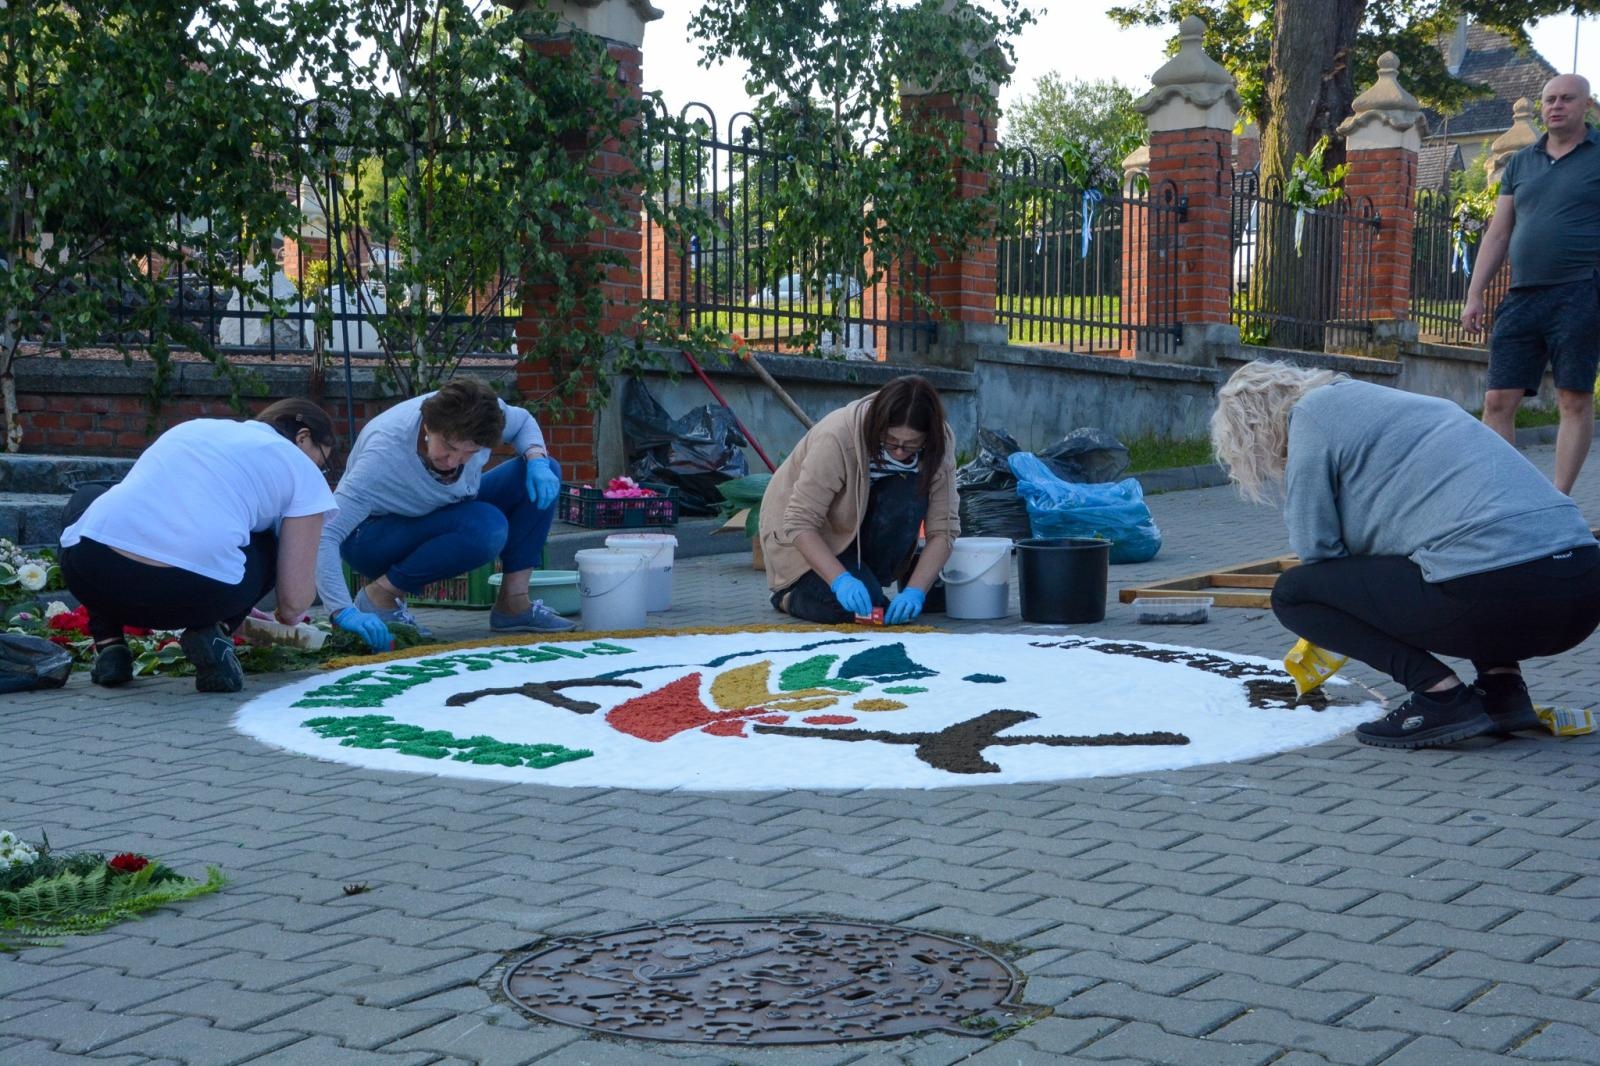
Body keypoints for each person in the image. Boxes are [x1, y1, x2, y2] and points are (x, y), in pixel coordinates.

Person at [1211, 360, 1600, 750]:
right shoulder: (1409, 409)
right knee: (1468, 554)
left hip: (1500, 599)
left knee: (1296, 593)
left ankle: (1441, 697)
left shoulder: (1309, 416)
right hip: (1583, 592)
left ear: (1254, 428)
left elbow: (1316, 548)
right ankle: (1504, 694)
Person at [59, 399, 339, 693]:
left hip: (94, 574)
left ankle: (110, 646)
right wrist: (256, 609)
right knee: (271, 539)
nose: (318, 469)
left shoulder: (191, 429)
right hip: (193, 595)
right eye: (321, 460)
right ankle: (215, 633)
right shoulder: (301, 470)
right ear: (303, 437)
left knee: (89, 500)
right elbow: (293, 602)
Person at [317, 377, 575, 652]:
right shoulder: (382, 455)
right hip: (373, 537)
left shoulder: (486, 415)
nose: (453, 461)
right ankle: (380, 596)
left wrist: (536, 460)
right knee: (486, 527)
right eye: (448, 447)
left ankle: (514, 604)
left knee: (545, 470)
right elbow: (325, 532)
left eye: (469, 453)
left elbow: (522, 421)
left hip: (442, 509)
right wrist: (341, 610)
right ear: (428, 426)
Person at [1462, 73, 1600, 495]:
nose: (1556, 106)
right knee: (1496, 401)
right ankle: (1508, 498)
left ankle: (1558, 499)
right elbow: (1499, 232)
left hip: (1581, 290)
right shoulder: (1522, 162)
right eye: (1549, 100)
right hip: (1522, 294)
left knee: (1573, 398)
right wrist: (1474, 293)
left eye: (1566, 99)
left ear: (1587, 106)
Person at [761, 375, 958, 625]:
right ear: (877, 426)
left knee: (908, 492)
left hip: (856, 539)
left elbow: (944, 529)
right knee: (859, 611)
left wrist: (916, 590)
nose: (899, 451)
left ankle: (867, 582)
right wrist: (840, 581)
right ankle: (787, 596)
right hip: (803, 543)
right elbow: (799, 522)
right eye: (890, 442)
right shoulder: (838, 436)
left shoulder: (940, 444)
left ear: (927, 438)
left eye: (911, 445)